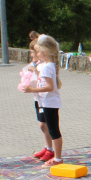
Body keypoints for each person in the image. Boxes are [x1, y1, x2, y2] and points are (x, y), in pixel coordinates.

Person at [23, 35, 65, 166]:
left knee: (54, 131)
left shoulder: (47, 67)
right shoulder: (48, 65)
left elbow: (50, 87)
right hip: (47, 102)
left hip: (49, 103)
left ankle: (57, 158)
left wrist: (32, 89)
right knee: (51, 129)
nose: (37, 54)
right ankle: (55, 155)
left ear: (46, 51)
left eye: (39, 51)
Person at [23, 31, 54, 160]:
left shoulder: (45, 66)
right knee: (42, 125)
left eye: (33, 53)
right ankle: (47, 147)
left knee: (45, 125)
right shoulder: (37, 65)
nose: (32, 55)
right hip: (38, 98)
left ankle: (50, 150)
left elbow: (45, 82)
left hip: (44, 99)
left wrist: (34, 73)